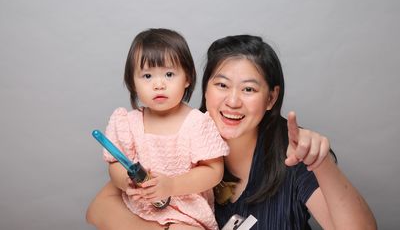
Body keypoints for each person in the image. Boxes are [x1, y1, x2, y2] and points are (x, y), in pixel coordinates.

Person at [87, 34, 377, 230]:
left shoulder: (291, 152)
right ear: (203, 88)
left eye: (249, 89)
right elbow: (100, 208)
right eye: (222, 85)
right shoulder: (181, 138)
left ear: (271, 99)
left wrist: (321, 164)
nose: (233, 101)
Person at [99, 28, 229, 230]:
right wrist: (126, 181)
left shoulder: (197, 123)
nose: (159, 84)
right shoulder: (129, 123)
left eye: (169, 74)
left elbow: (214, 171)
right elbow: (116, 163)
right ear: (133, 83)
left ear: (187, 78)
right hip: (137, 207)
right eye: (147, 76)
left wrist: (172, 185)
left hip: (185, 213)